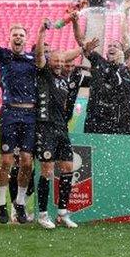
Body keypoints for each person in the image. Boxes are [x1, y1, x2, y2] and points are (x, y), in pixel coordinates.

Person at [35, 20, 97, 229]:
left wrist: (82, 49)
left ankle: (62, 212)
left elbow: (68, 58)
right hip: (45, 128)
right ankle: (43, 214)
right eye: (56, 60)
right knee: (46, 170)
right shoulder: (43, 74)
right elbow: (42, 57)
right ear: (49, 60)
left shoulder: (64, 78)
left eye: (62, 61)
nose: (60, 63)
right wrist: (42, 32)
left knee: (68, 168)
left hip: (62, 129)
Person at [0, 1, 36, 224]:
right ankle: (2, 204)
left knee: (27, 162)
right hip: (10, 114)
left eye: (21, 35)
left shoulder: (34, 60)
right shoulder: (3, 56)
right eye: (15, 34)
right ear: (10, 38)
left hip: (30, 115)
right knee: (6, 161)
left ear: (25, 38)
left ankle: (20, 204)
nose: (18, 38)